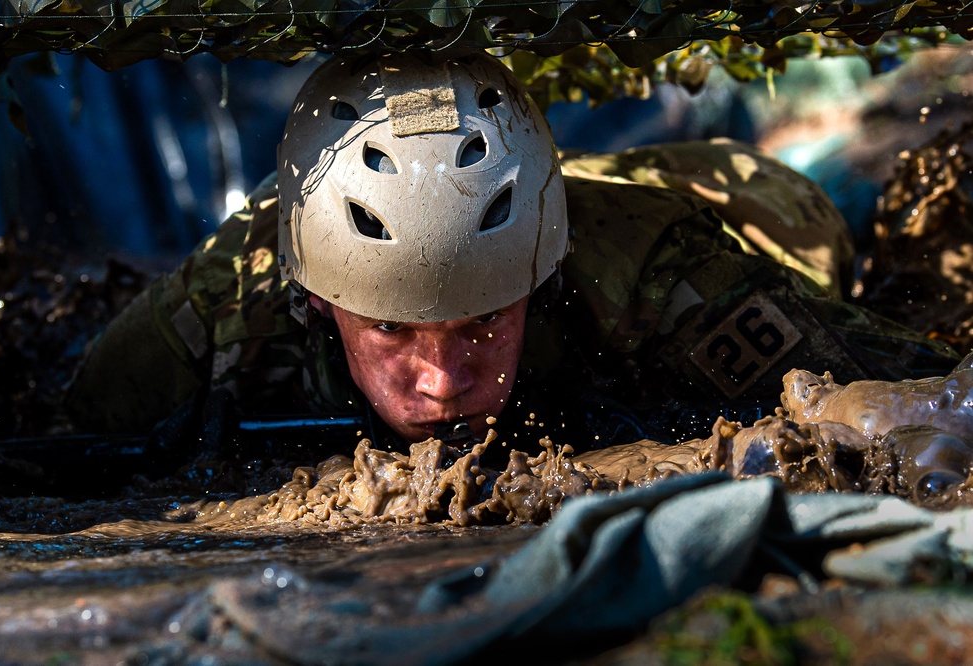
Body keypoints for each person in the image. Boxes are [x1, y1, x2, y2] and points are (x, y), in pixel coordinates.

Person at [66, 51, 959, 455]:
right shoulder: (227, 304)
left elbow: (934, 394)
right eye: (390, 330)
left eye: (484, 323)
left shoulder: (655, 276)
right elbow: (68, 433)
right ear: (315, 302)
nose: (444, 380)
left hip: (750, 201)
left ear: (543, 277)